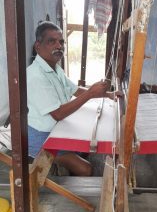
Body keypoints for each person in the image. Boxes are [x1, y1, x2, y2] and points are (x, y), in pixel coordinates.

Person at [27, 21, 117, 176]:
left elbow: (75, 90)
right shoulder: (35, 76)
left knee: (87, 140)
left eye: (61, 42)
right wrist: (91, 94)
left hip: (57, 130)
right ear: (38, 46)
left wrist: (108, 95)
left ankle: (67, 165)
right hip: (42, 138)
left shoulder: (55, 68)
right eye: (52, 41)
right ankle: (73, 194)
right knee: (86, 169)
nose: (59, 46)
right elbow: (58, 114)